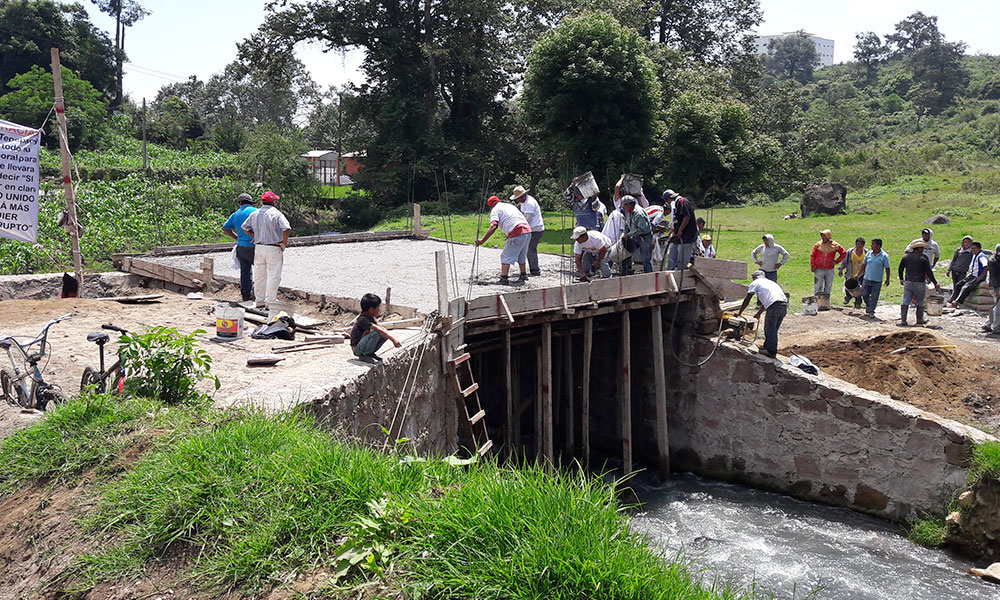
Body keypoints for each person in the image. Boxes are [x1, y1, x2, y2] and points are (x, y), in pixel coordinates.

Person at [240, 191, 291, 309]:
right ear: (274, 202)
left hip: (259, 247)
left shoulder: (255, 213)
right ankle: (270, 302)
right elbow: (286, 228)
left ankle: (260, 300)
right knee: (273, 275)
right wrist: (284, 243)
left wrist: (254, 236)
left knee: (259, 275)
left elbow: (244, 227)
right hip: (273, 247)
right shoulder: (276, 214)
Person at [476, 195, 532, 285]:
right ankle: (523, 275)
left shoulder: (495, 210)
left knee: (505, 256)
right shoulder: (509, 205)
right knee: (521, 254)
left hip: (517, 231)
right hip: (527, 230)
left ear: (490, 206)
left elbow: (494, 226)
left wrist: (482, 240)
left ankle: (504, 278)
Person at [736, 270, 788, 359]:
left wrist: (739, 312)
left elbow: (747, 299)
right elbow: (766, 301)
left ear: (754, 277)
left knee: (769, 328)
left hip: (774, 306)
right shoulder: (770, 283)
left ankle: (771, 351)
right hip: (784, 306)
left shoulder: (755, 283)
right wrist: (758, 313)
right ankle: (767, 347)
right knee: (773, 329)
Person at [222, 192, 256, 302]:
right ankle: (260, 295)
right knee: (261, 271)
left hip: (241, 247)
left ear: (240, 203)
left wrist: (236, 237)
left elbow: (225, 228)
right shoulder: (255, 211)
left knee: (245, 271)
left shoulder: (235, 214)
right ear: (251, 203)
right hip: (254, 246)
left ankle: (246, 295)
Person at [350, 293, 402, 364]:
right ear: (371, 309)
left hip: (362, 344)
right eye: (378, 308)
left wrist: (386, 333)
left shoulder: (371, 318)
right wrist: (393, 340)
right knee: (377, 333)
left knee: (384, 333)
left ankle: (370, 353)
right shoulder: (362, 319)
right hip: (357, 348)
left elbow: (380, 328)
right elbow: (377, 329)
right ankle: (366, 354)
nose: (379, 310)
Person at [898, 242, 939, 326]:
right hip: (919, 282)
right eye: (922, 249)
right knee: (920, 302)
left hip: (908, 282)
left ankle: (903, 320)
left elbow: (900, 268)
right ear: (919, 248)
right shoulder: (923, 258)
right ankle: (919, 320)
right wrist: (935, 282)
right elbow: (929, 271)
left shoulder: (906, 257)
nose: (923, 250)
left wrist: (901, 279)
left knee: (906, 300)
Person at [512, 185, 545, 276]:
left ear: (524, 195)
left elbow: (527, 220)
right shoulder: (524, 202)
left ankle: (535, 270)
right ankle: (533, 269)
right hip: (532, 228)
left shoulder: (529, 203)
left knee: (530, 249)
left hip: (535, 229)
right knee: (529, 249)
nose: (518, 200)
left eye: (519, 198)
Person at [948, 241, 989, 308]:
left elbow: (986, 267)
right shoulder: (974, 255)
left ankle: (957, 302)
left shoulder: (982, 257)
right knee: (959, 284)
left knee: (966, 287)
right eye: (972, 248)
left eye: (974, 249)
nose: (973, 250)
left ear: (979, 249)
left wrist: (980, 277)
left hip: (977, 277)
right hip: (972, 275)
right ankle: (953, 298)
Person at [621, 195, 654, 273]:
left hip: (644, 237)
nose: (623, 208)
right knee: (625, 251)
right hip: (635, 236)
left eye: (624, 206)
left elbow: (643, 229)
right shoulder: (628, 212)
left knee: (645, 259)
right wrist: (625, 234)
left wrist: (630, 234)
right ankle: (626, 271)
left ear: (629, 205)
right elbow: (627, 225)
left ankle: (649, 275)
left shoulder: (639, 213)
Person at [809, 229, 846, 298]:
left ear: (828, 236)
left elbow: (843, 253)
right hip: (819, 268)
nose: (823, 238)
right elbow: (812, 255)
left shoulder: (835, 245)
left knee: (828, 286)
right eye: (822, 236)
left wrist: (836, 261)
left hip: (830, 269)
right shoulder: (818, 245)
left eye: (824, 236)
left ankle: (826, 302)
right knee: (818, 286)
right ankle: (817, 301)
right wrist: (812, 265)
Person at [666, 192, 697, 270]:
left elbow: (687, 216)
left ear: (669, 199)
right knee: (672, 252)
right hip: (678, 235)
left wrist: (680, 230)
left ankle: (681, 275)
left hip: (687, 235)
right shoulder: (676, 205)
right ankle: (670, 271)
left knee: (682, 257)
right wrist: (673, 231)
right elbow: (677, 220)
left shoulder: (681, 201)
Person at [860, 238, 891, 317]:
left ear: (878, 246)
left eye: (873, 244)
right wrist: (858, 274)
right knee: (864, 293)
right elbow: (863, 265)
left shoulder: (884, 256)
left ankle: (871, 311)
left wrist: (887, 279)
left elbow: (887, 268)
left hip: (877, 280)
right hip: (867, 278)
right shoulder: (869, 254)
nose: (871, 245)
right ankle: (869, 305)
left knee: (874, 296)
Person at [838, 237, 867, 308]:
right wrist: (841, 269)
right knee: (849, 287)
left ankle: (858, 302)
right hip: (851, 273)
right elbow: (845, 261)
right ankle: (848, 297)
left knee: (859, 289)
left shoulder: (866, 252)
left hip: (862, 274)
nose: (859, 246)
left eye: (861, 244)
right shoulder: (850, 252)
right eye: (858, 244)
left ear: (863, 245)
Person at [984, 244, 1000, 334]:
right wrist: (997, 290)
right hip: (996, 286)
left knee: (996, 306)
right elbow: (994, 277)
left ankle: (988, 324)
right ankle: (997, 328)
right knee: (998, 308)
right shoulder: (993, 261)